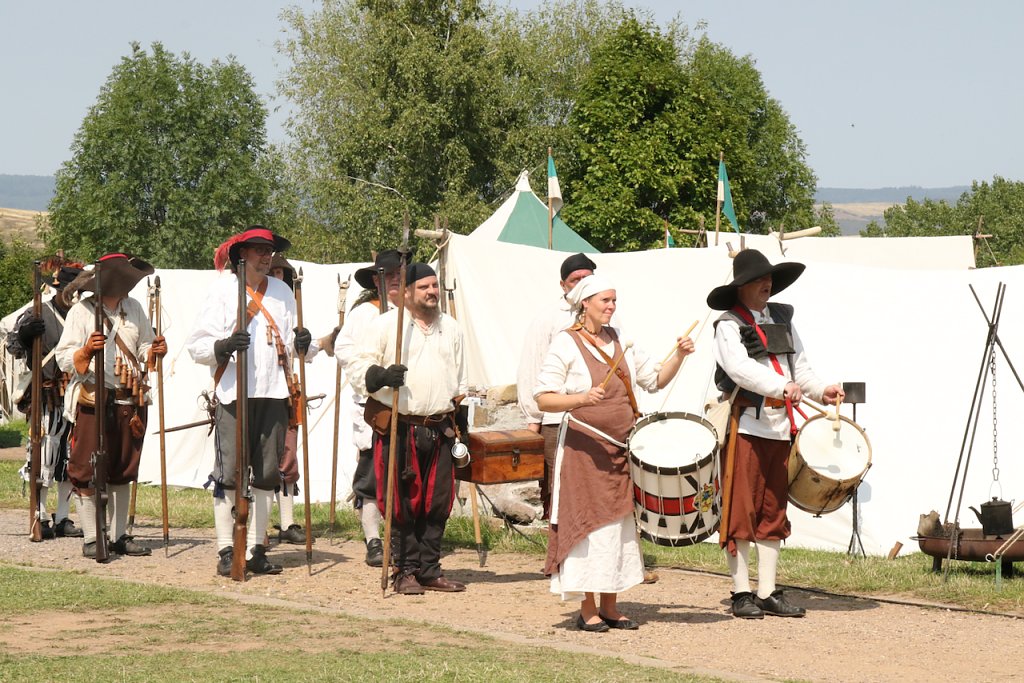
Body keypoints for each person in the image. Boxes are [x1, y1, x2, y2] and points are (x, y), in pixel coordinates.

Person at [535, 274, 694, 632]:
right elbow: (543, 397)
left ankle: (610, 605)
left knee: (618, 528)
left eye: (614, 300)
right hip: (583, 452)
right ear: (585, 303)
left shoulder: (621, 340)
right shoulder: (566, 343)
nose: (611, 306)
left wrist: (680, 356)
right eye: (604, 300)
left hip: (621, 451)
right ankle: (587, 608)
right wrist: (580, 398)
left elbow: (655, 380)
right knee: (589, 528)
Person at [708, 248, 844, 619]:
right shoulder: (728, 325)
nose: (766, 284)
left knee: (773, 509)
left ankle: (767, 591)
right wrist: (780, 386)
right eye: (758, 279)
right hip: (747, 426)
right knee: (741, 509)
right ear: (741, 287)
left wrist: (822, 390)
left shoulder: (782, 318)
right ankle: (741, 593)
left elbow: (801, 368)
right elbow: (739, 369)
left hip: (780, 429)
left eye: (769, 278)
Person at [185, 226, 311, 577]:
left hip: (275, 392)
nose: (266, 256)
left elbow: (291, 343)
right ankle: (227, 548)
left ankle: (256, 548)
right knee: (229, 473)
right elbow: (197, 344)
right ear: (242, 254)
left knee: (268, 474)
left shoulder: (283, 291)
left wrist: (304, 342)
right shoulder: (222, 289)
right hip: (234, 394)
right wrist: (223, 346)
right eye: (258, 250)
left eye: (269, 250)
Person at [349, 262, 468, 594]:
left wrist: (462, 422)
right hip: (401, 426)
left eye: (434, 285)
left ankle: (429, 569)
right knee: (402, 502)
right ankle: (405, 571)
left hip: (440, 427)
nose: (432, 292)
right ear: (406, 293)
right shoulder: (387, 326)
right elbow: (357, 367)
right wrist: (381, 376)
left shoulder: (452, 329)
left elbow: (461, 379)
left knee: (437, 503)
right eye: (424, 287)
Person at [55, 254, 167, 558]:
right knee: (85, 469)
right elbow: (63, 357)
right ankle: (93, 537)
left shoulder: (135, 308)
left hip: (129, 398)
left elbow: (144, 346)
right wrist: (86, 351)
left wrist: (154, 350)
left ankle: (119, 536)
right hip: (94, 397)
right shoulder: (81, 311)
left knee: (123, 468)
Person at [333, 249, 407, 567]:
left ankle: (401, 537)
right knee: (372, 476)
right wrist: (375, 376)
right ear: (377, 281)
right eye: (388, 276)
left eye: (399, 275)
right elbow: (345, 351)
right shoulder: (365, 314)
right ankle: (374, 540)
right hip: (373, 406)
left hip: (408, 406)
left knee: (404, 473)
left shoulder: (414, 312)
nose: (394, 280)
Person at [9, 263, 86, 540]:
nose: (75, 295)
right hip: (46, 394)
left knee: (71, 455)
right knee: (45, 453)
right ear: (58, 288)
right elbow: (13, 344)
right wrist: (25, 335)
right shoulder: (38, 311)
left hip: (76, 393)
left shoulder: (85, 314)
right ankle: (40, 516)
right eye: (72, 290)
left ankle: (63, 517)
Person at [517, 253, 595, 519]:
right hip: (556, 418)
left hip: (596, 418)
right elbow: (531, 369)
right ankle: (558, 542)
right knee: (557, 486)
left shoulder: (608, 317)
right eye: (575, 279)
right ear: (563, 285)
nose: (582, 284)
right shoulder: (548, 319)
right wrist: (533, 422)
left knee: (592, 485)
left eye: (587, 278)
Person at [268, 254, 337, 546]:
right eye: (272, 271)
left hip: (285, 394)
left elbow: (301, 353)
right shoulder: (242, 303)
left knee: (287, 459)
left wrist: (311, 342)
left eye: (280, 272)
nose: (276, 277)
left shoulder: (287, 310)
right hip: (252, 396)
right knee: (253, 462)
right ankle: (251, 525)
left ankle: (287, 523)